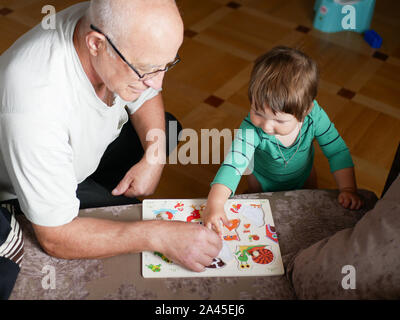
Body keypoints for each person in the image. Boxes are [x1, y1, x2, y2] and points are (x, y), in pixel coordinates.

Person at [0, 0, 221, 272]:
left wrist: (154, 157)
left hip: (72, 147)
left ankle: (103, 189)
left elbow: (149, 93)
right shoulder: (34, 104)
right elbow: (55, 238)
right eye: (146, 69)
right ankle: (99, 196)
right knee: (133, 217)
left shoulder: (112, 22)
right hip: (17, 193)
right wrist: (158, 235)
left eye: (166, 65)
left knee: (166, 129)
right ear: (96, 44)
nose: (158, 82)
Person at [203, 46, 363, 236]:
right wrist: (215, 204)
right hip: (261, 180)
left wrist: (347, 188)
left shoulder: (315, 117)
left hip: (305, 177)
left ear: (306, 111)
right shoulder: (251, 128)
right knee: (261, 214)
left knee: (308, 210)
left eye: (279, 120)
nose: (266, 126)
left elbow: (337, 151)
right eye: (257, 112)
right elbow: (233, 165)